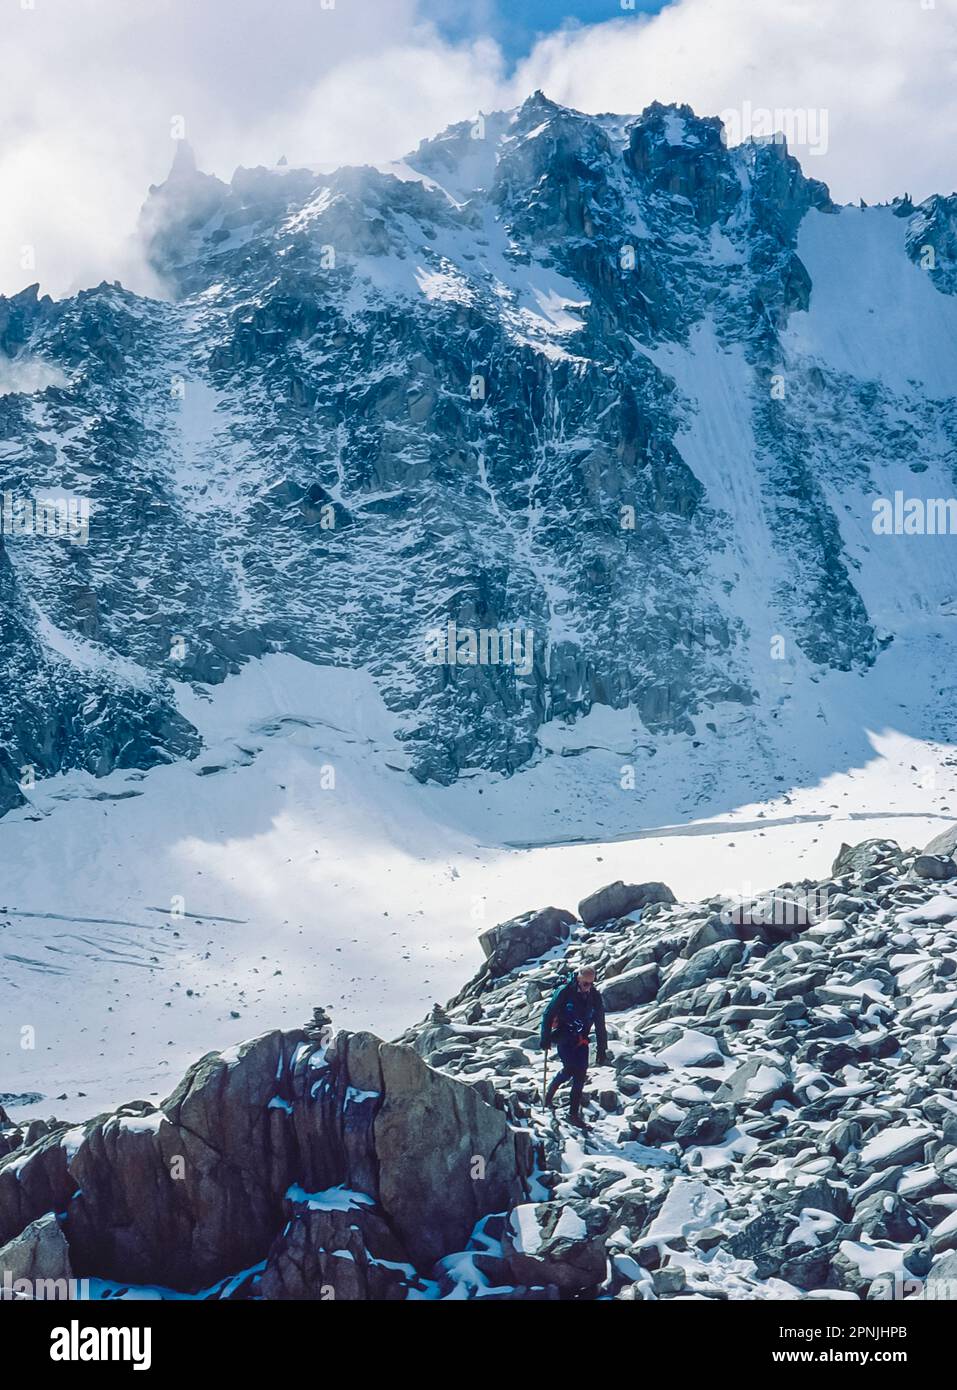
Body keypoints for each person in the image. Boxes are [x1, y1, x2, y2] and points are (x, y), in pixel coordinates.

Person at [540, 965, 611, 1129]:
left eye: (591, 984)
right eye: (585, 983)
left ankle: (573, 1115)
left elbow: (600, 1024)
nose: (588, 987)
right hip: (564, 1036)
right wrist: (545, 1038)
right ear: (578, 978)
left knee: (580, 1073)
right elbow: (548, 1013)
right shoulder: (565, 991)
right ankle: (549, 1095)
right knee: (570, 1069)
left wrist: (602, 1049)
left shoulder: (594, 996)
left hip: (582, 1040)